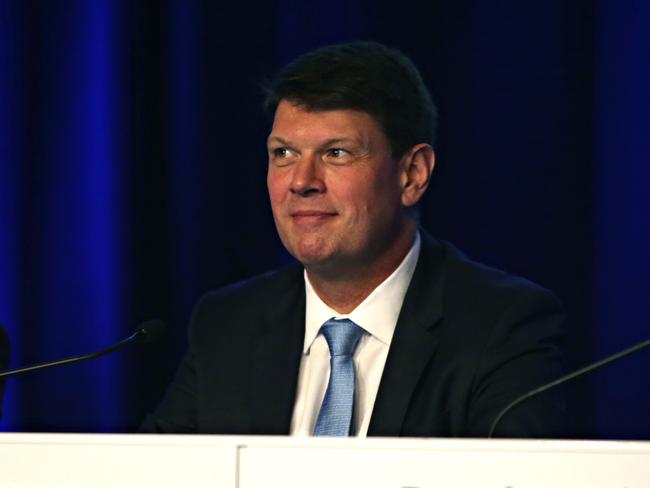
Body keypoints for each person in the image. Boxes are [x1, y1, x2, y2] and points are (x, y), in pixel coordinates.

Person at [141, 41, 565, 437]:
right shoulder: (227, 325)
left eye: (336, 153)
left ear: (412, 174)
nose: (301, 182)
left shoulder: (504, 326)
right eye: (283, 154)